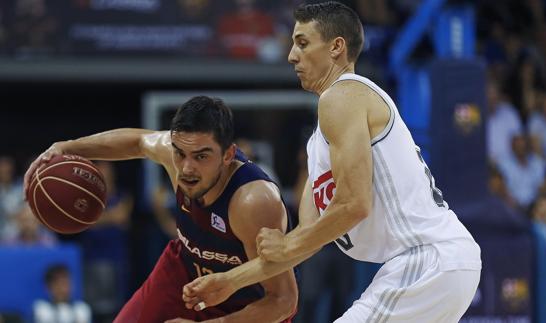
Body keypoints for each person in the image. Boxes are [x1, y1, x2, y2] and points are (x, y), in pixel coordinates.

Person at [182, 2, 482, 322]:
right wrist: (230, 281)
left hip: (428, 258)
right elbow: (306, 241)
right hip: (431, 265)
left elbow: (354, 204)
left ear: (337, 47)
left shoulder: (343, 95)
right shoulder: (319, 145)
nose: (291, 55)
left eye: (303, 42)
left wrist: (286, 246)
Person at [23, 96, 298, 322]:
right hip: (184, 270)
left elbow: (282, 301)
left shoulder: (253, 201)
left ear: (227, 155)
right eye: (180, 153)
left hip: (247, 304)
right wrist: (66, 147)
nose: (187, 168)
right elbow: (136, 142)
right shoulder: (174, 153)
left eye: (202, 156)